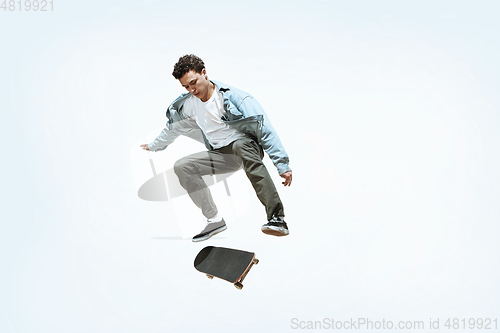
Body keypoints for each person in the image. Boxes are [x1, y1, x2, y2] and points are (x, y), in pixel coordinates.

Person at [141, 54, 292, 242]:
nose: (192, 90)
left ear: (204, 73)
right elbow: (172, 128)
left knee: (240, 145)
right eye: (186, 87)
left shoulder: (233, 97)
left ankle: (277, 218)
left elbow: (265, 130)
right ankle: (214, 219)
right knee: (182, 165)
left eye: (194, 83)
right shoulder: (188, 104)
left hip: (245, 147)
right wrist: (154, 146)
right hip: (220, 154)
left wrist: (282, 165)